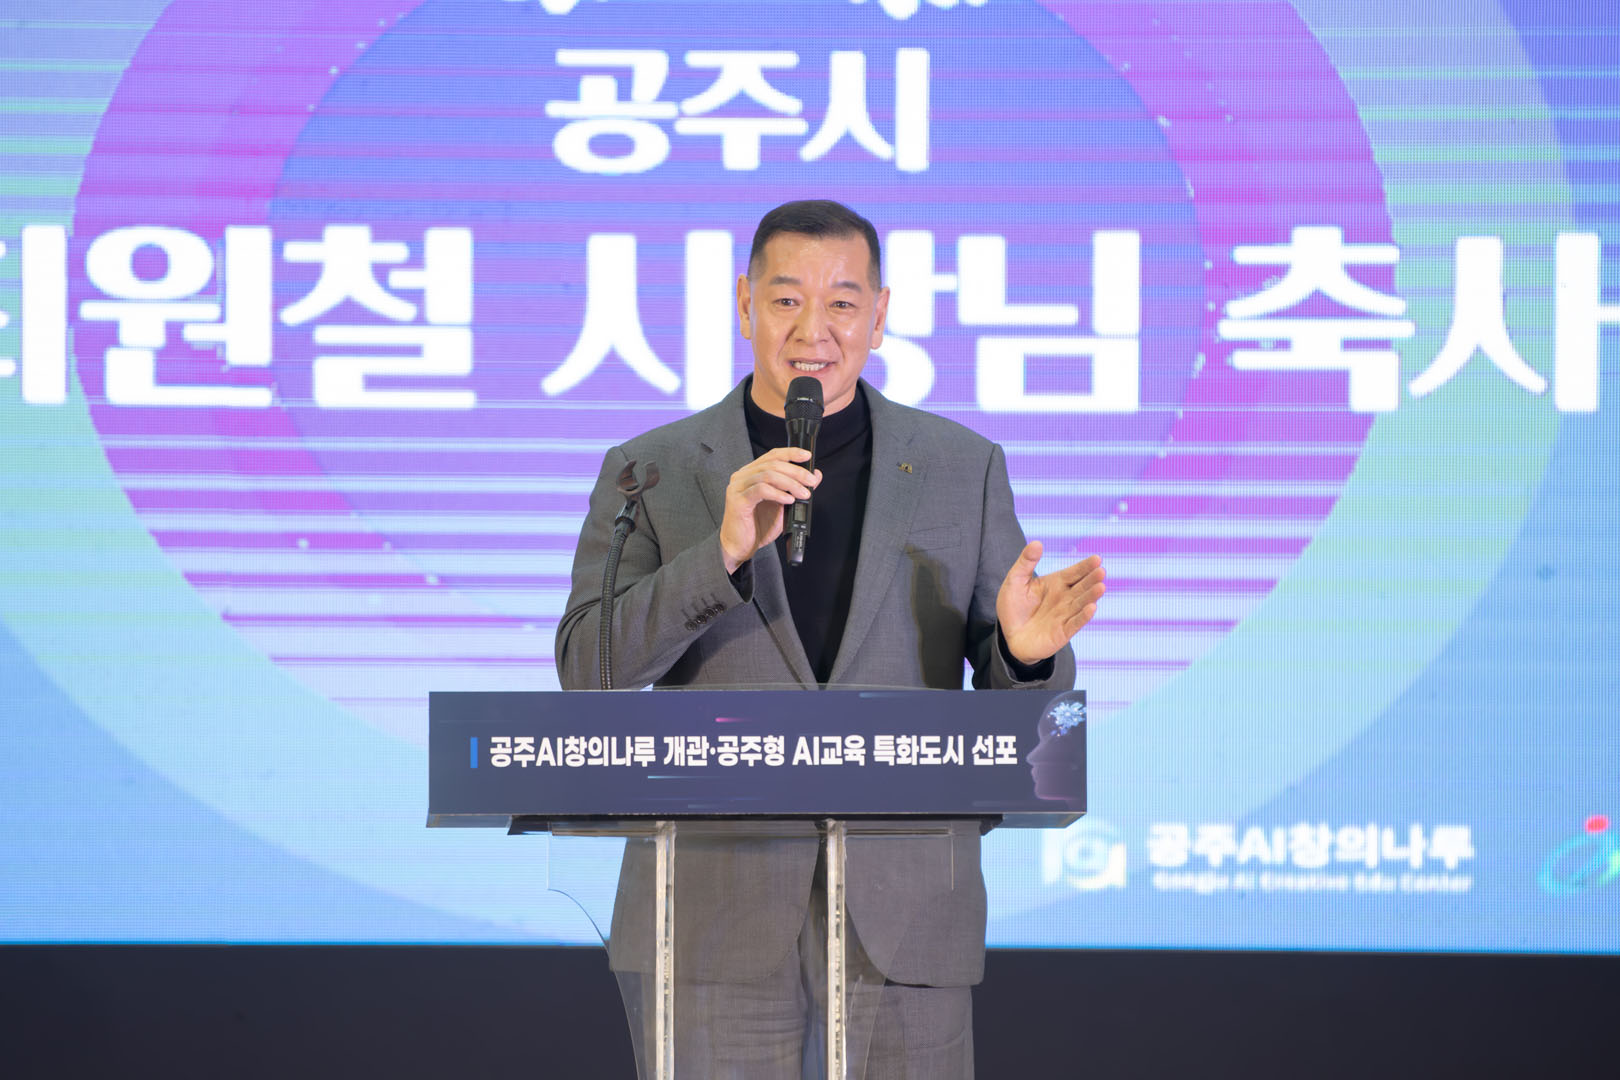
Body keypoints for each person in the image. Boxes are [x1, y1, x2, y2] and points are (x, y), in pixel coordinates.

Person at [555, 199, 1105, 1078]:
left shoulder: (962, 468)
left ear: (879, 317)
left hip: (906, 908)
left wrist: (1025, 654)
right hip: (709, 910)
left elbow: (1026, 725)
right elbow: (590, 674)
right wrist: (719, 556)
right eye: (786, 300)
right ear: (744, 306)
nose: (814, 330)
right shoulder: (651, 470)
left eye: (843, 302)